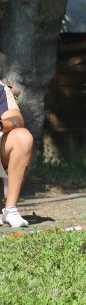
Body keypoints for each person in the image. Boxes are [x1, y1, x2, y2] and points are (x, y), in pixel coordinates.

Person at [0, 79, 33, 228]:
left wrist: (1, 124)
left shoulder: (1, 88)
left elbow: (16, 119)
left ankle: (10, 210)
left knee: (22, 137)